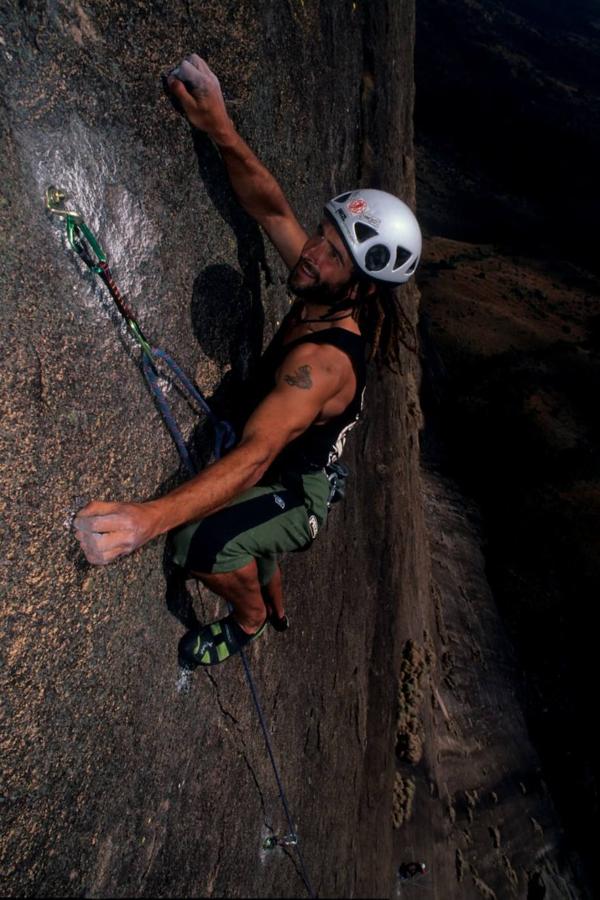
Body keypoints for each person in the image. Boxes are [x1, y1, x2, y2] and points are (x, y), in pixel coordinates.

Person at [74, 54, 421, 667]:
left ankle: (252, 618)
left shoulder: (322, 362)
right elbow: (271, 210)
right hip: (290, 456)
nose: (310, 254)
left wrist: (145, 522)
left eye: (333, 255)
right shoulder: (327, 285)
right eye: (323, 235)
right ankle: (273, 598)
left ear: (363, 286)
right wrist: (220, 126)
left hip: (296, 489)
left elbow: (257, 455)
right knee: (243, 528)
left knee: (198, 540)